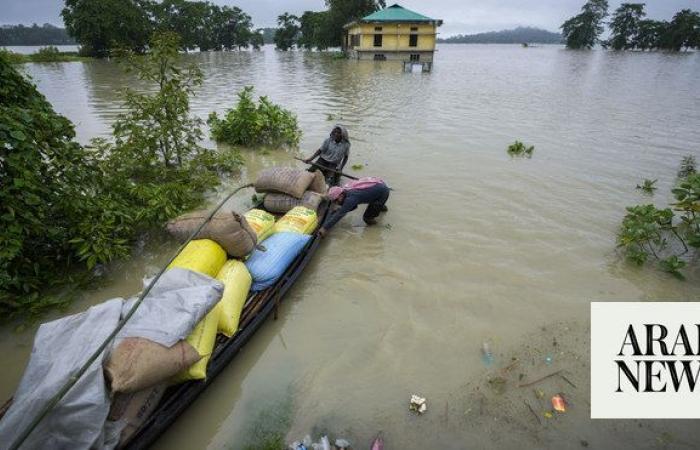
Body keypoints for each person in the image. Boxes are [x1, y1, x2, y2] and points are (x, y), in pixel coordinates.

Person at [318, 177, 390, 237]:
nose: (336, 203)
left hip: (382, 192)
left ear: (341, 195)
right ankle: (380, 206)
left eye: (336, 200)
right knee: (375, 204)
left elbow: (340, 214)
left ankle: (376, 229)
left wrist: (325, 228)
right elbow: (354, 207)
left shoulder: (351, 199)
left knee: (367, 218)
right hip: (377, 185)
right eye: (334, 201)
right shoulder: (345, 189)